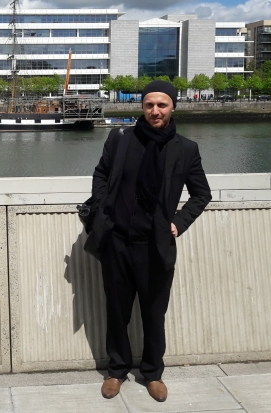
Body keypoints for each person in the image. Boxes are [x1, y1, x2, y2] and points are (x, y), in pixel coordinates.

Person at [86, 80, 211, 403]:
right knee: (117, 311)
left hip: (155, 246)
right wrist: (103, 209)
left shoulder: (186, 149)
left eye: (162, 105)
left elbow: (201, 194)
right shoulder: (120, 139)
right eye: (149, 105)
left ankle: (153, 373)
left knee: (154, 314)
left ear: (173, 108)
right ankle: (116, 370)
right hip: (117, 242)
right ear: (142, 107)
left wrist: (178, 223)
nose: (155, 111)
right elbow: (101, 174)